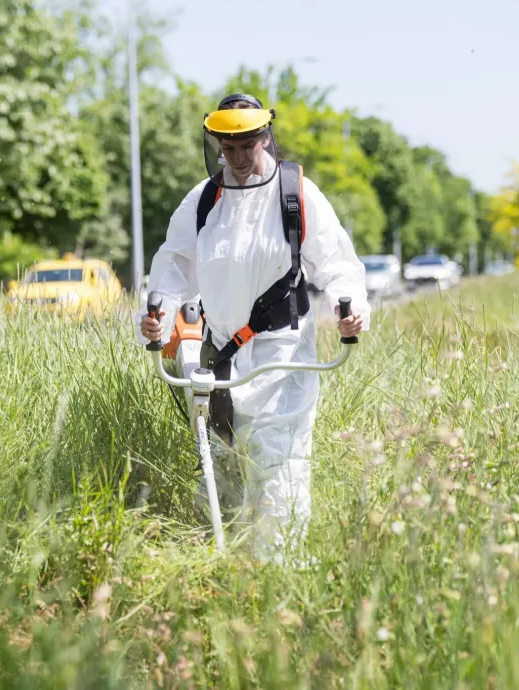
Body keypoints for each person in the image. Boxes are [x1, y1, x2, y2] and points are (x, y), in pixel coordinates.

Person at [136, 93, 371, 565]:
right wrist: (155, 315)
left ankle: (278, 581)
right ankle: (228, 576)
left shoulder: (295, 193)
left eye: (248, 145)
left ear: (265, 137)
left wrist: (351, 309)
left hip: (282, 354)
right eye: (229, 148)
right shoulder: (204, 201)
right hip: (218, 356)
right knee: (222, 470)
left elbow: (338, 263)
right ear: (217, 146)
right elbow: (173, 266)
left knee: (277, 465)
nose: (240, 158)